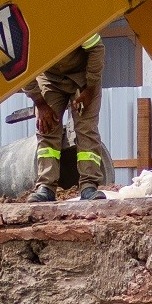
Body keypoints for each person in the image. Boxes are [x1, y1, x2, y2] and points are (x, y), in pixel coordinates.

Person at [28, 33, 108, 203]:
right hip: (49, 77)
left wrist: (91, 88)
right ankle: (46, 187)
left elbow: (96, 48)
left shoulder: (73, 18)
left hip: (83, 76)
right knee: (46, 129)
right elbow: (20, 69)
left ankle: (89, 186)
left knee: (86, 129)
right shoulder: (27, 31)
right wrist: (40, 103)